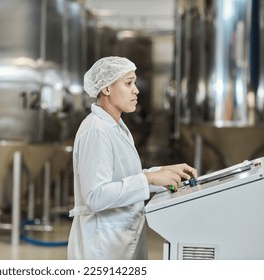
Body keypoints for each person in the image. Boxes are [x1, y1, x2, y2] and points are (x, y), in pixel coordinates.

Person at [67, 56, 198, 260]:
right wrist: (149, 179)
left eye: (134, 83)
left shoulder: (116, 126)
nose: (136, 90)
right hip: (102, 248)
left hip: (122, 240)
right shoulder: (96, 131)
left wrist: (164, 172)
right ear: (106, 89)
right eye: (128, 83)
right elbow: (96, 196)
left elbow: (126, 178)